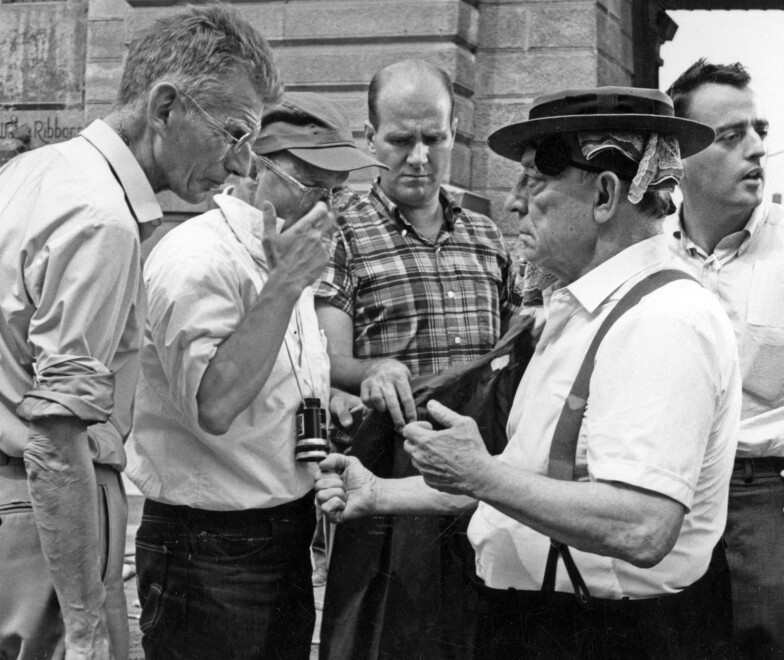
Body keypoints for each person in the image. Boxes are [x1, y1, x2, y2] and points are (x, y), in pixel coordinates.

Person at [317, 86, 743, 658]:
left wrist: (480, 475)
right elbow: (527, 481)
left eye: (533, 181)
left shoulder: (661, 321)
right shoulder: (584, 310)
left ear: (606, 194)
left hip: (610, 637)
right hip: (553, 624)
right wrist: (382, 493)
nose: (514, 203)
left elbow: (643, 526)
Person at [0, 6, 281, 658]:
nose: (240, 165)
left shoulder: (30, 173)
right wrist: (87, 621)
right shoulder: (101, 218)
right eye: (233, 133)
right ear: (165, 106)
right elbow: (57, 437)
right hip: (41, 525)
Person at [124, 92, 385, 659]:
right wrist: (288, 284)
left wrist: (322, 402)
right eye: (313, 186)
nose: (327, 208)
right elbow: (214, 404)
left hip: (279, 531)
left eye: (337, 193)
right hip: (210, 548)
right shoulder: (199, 259)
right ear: (253, 168)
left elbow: (272, 376)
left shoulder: (280, 255)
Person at [314, 59, 520, 659]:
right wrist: (371, 372)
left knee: (486, 628)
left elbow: (513, 340)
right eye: (402, 140)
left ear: (455, 131)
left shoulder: (486, 234)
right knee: (386, 634)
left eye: (435, 138)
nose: (420, 157)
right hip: (389, 471)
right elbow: (328, 356)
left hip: (486, 469)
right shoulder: (342, 233)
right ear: (370, 137)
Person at [666, 59, 784, 659]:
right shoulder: (647, 254)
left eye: (759, 131)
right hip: (663, 499)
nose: (758, 149)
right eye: (732, 136)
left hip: (766, 506)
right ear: (678, 152)